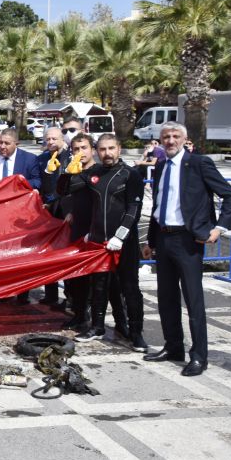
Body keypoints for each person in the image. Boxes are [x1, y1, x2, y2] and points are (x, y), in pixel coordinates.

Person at [142, 122, 231, 376]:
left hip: (188, 241)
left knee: (193, 300)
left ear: (184, 139)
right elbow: (159, 205)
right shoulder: (159, 166)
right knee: (166, 298)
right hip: (163, 238)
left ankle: (199, 356)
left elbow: (229, 195)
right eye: (166, 137)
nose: (170, 140)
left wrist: (218, 229)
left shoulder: (199, 164)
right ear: (160, 141)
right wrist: (150, 241)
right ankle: (173, 347)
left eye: (175, 136)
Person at [61, 134, 146, 350]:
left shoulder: (130, 174)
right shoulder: (93, 174)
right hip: (99, 241)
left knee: (129, 288)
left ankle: (136, 333)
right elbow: (63, 191)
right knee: (99, 286)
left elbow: (134, 208)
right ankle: (97, 326)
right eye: (102, 149)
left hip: (124, 242)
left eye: (111, 148)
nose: (107, 153)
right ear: (97, 151)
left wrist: (121, 235)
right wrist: (66, 172)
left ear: (119, 149)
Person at [53, 133, 97, 329]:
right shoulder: (75, 171)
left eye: (84, 148)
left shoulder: (100, 171)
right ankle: (79, 314)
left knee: (99, 280)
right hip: (77, 228)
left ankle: (99, 320)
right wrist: (68, 173)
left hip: (97, 229)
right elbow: (61, 191)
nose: (80, 153)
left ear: (92, 149)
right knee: (76, 278)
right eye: (76, 149)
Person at [34, 126, 69, 305]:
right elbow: (38, 182)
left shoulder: (70, 158)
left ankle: (71, 297)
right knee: (48, 253)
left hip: (66, 211)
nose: (50, 142)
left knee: (67, 253)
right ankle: (50, 294)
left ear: (62, 139)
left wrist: (54, 200)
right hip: (47, 212)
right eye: (48, 139)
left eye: (54, 139)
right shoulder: (40, 160)